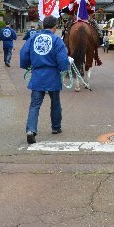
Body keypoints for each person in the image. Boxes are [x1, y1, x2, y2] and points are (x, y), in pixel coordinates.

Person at [19, 15, 71, 144]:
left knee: (35, 105)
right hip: (52, 75)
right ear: (55, 26)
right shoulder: (57, 40)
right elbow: (63, 61)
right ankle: (56, 127)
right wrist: (65, 66)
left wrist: (26, 65)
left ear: (43, 25)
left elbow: (24, 54)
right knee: (55, 103)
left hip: (37, 75)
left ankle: (31, 130)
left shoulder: (32, 38)